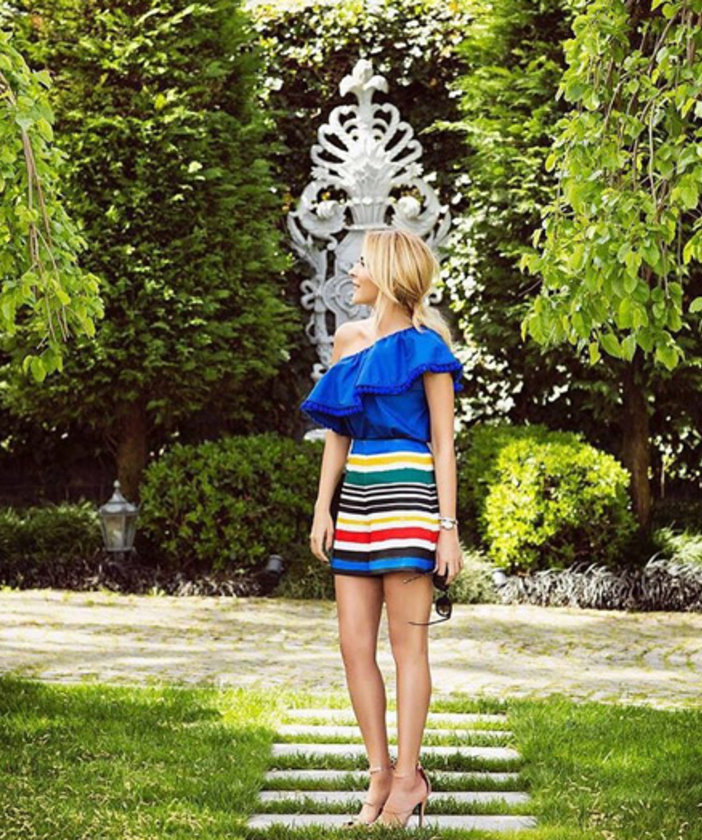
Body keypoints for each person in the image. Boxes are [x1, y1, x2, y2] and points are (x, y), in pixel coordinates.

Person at [299, 228, 465, 828]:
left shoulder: (428, 348)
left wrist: (448, 528)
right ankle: (379, 774)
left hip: (411, 504)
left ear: (390, 275)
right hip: (360, 504)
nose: (352, 271)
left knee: (407, 648)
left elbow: (444, 445)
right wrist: (324, 507)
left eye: (362, 263)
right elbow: (337, 432)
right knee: (353, 646)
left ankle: (407, 780)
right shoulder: (348, 340)